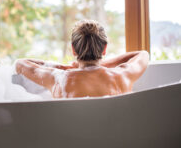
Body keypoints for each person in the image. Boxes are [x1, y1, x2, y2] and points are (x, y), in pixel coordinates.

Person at [15, 20, 149, 98]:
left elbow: (19, 64)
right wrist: (102, 64)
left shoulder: (59, 79)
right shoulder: (122, 75)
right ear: (104, 48)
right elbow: (143, 54)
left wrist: (65, 68)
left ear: (73, 49)